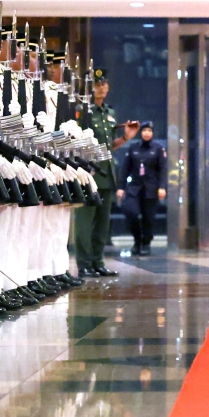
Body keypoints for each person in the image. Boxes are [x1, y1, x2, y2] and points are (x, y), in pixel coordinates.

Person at [74, 68, 134, 277]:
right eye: (97, 84)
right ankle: (84, 264)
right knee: (85, 222)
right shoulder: (81, 111)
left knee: (102, 223)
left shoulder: (109, 113)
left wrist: (126, 137)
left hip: (107, 173)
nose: (101, 88)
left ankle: (98, 262)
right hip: (89, 173)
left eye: (104, 84)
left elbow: (109, 146)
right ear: (90, 88)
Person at [117, 121, 166, 256]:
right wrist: (121, 187)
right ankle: (137, 240)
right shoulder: (133, 148)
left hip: (151, 189)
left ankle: (146, 243)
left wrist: (162, 187)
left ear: (153, 133)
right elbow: (125, 169)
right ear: (141, 132)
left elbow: (163, 170)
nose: (146, 133)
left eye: (149, 131)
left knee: (148, 218)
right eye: (144, 130)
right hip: (135, 188)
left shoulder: (158, 149)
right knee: (131, 212)